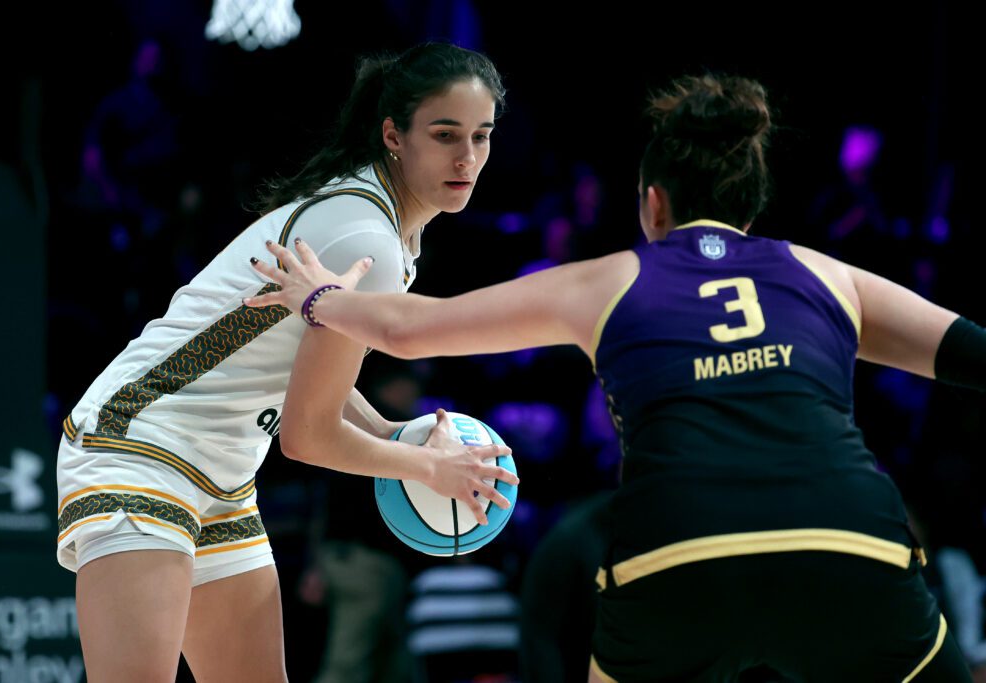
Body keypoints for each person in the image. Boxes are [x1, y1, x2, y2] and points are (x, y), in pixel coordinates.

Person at [246, 74, 986, 681]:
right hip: (850, 541)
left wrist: (316, 295)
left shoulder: (609, 279)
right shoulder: (828, 275)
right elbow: (974, 356)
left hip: (678, 548)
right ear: (751, 207)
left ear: (653, 205)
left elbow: (407, 326)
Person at [56, 42, 517, 683]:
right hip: (140, 440)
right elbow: (307, 435)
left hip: (221, 470)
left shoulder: (378, 224)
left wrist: (389, 433)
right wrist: (426, 466)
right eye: (445, 135)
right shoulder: (369, 240)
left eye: (481, 136)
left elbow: (302, 365)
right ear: (393, 134)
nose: (467, 157)